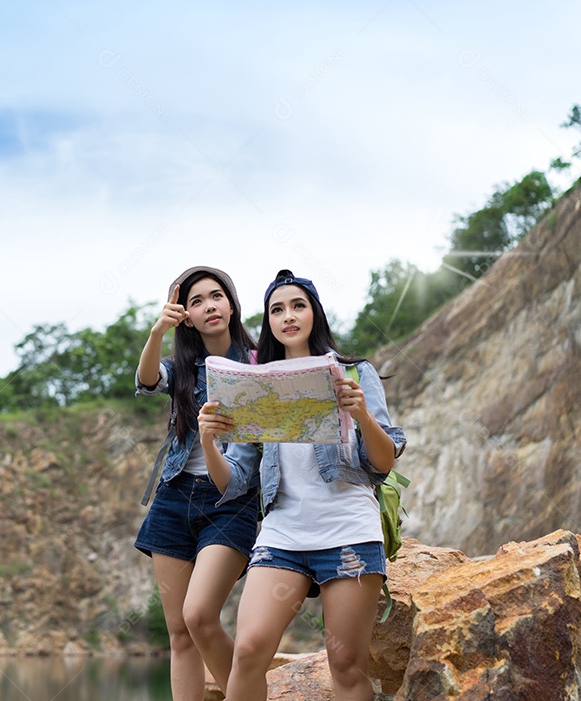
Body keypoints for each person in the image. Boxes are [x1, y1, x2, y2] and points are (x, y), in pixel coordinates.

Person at [197, 269, 407, 701]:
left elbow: (383, 463)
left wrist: (362, 415)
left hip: (348, 530)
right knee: (248, 653)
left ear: (315, 314)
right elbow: (233, 481)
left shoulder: (354, 372)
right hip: (283, 534)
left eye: (298, 306)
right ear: (269, 322)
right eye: (277, 310)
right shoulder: (255, 385)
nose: (288, 316)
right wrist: (208, 442)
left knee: (346, 665)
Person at [134, 265, 262, 701]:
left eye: (216, 296)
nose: (209, 306)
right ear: (185, 316)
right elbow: (148, 381)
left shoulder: (259, 363)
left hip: (231, 501)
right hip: (174, 497)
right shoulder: (183, 367)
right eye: (196, 301)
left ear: (232, 303)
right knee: (179, 631)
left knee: (200, 616)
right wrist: (158, 331)